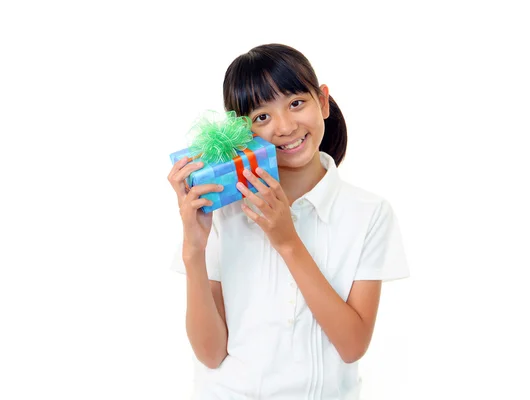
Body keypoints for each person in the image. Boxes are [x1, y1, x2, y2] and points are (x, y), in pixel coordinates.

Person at [167, 43, 409, 399]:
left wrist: (286, 241)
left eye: (296, 103)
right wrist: (193, 248)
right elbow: (210, 353)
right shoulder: (224, 211)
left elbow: (353, 345)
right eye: (261, 117)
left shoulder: (369, 213)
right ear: (241, 131)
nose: (284, 126)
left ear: (323, 101)